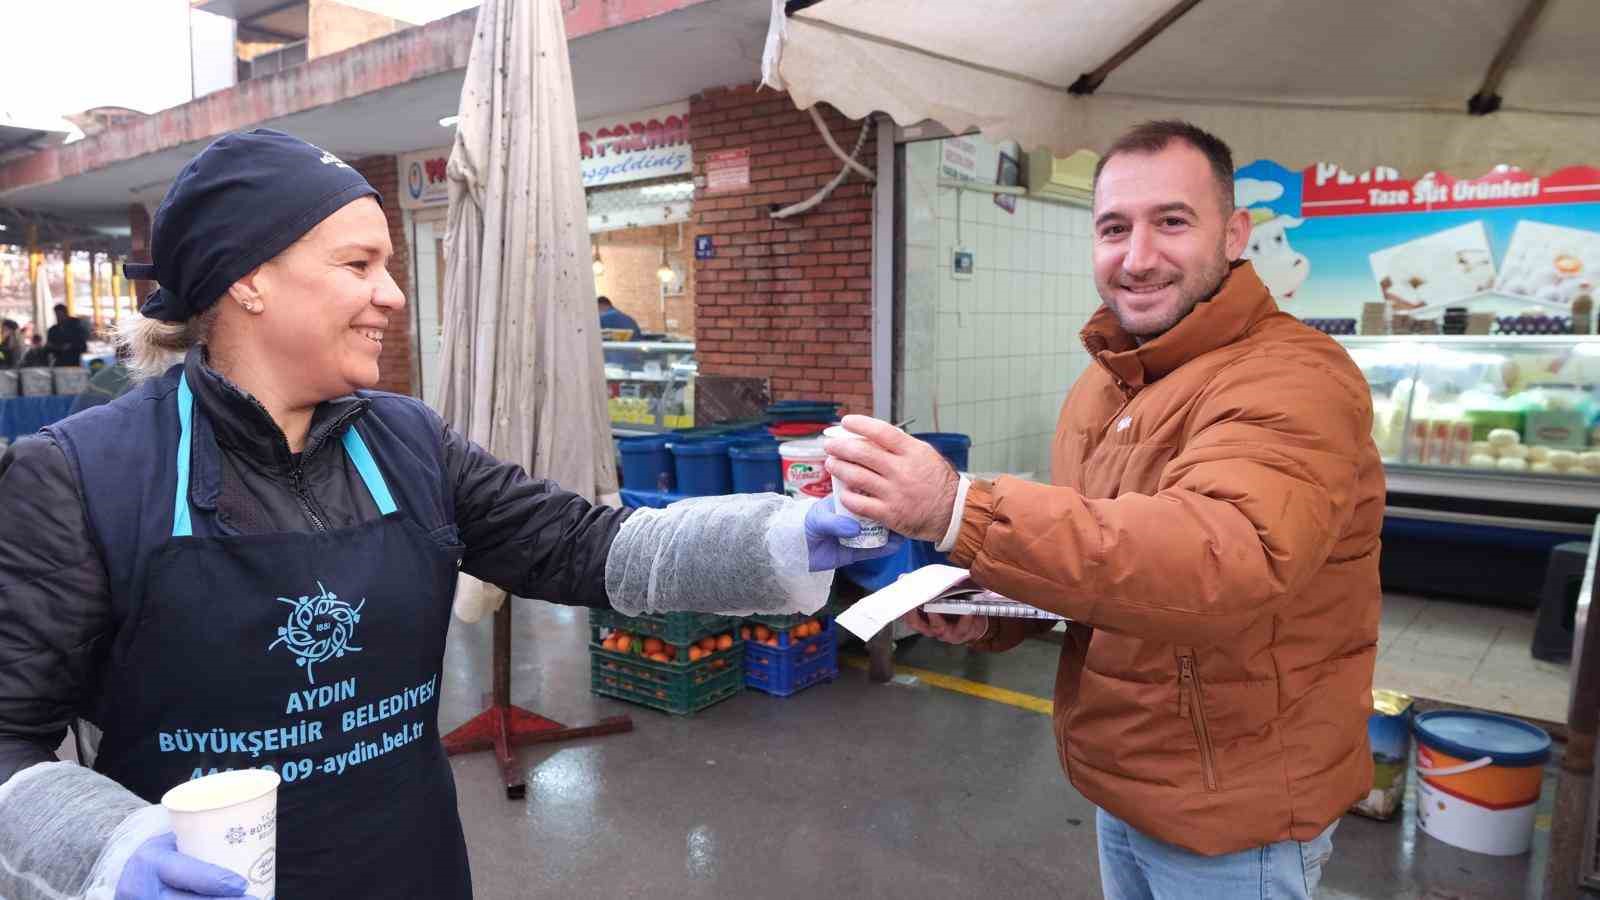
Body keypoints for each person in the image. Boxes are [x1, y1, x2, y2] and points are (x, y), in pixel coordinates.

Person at [0, 129, 897, 900]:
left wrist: (783, 531)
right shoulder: (79, 477)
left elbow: (585, 546)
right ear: (247, 282)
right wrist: (110, 851)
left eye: (388, 264)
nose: (392, 294)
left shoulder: (410, 442)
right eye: (359, 265)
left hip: (412, 869)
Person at [823, 121, 1383, 899]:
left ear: (1234, 234)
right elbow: (1113, 569)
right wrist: (993, 611)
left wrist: (960, 510)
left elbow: (1226, 557)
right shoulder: (1107, 383)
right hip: (1123, 780)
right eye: (1115, 228)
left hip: (1233, 811)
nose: (1139, 255)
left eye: (1172, 222)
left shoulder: (1295, 377)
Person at [46, 303, 89, 368]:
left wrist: (71, 346)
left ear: (65, 314)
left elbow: (82, 342)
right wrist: (53, 346)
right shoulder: (53, 330)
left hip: (75, 360)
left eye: (60, 315)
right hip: (60, 362)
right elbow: (49, 346)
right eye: (57, 315)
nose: (59, 317)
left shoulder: (76, 325)